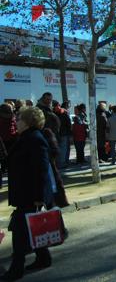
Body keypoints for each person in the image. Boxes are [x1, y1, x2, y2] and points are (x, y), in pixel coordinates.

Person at [2, 107, 64, 280]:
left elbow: (42, 170)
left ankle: (16, 269)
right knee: (31, 227)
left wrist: (39, 197)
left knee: (20, 232)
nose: (16, 121)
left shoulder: (35, 139)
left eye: (19, 119)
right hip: (25, 192)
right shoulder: (25, 137)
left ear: (29, 121)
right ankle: (43, 258)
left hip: (30, 194)